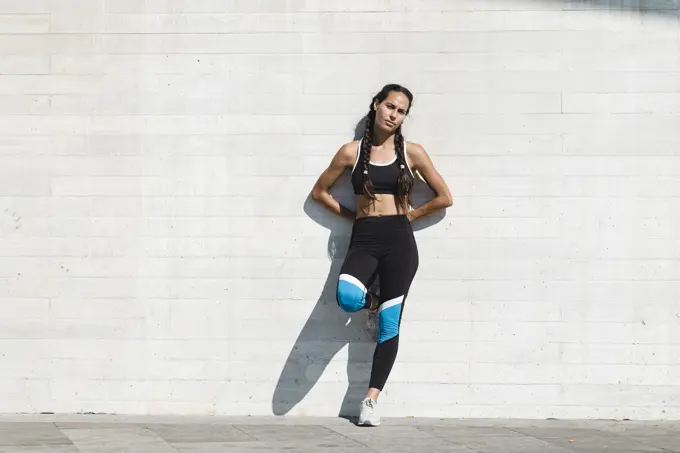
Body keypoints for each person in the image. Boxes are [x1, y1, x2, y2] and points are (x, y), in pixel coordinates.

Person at [310, 84, 453, 426]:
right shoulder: (351, 153)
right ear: (376, 105)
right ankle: (370, 304)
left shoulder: (413, 153)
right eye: (390, 106)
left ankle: (370, 400)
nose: (394, 115)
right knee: (346, 297)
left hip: (400, 241)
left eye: (401, 111)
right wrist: (353, 216)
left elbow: (443, 197)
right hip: (365, 237)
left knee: (390, 325)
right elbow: (319, 193)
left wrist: (411, 216)